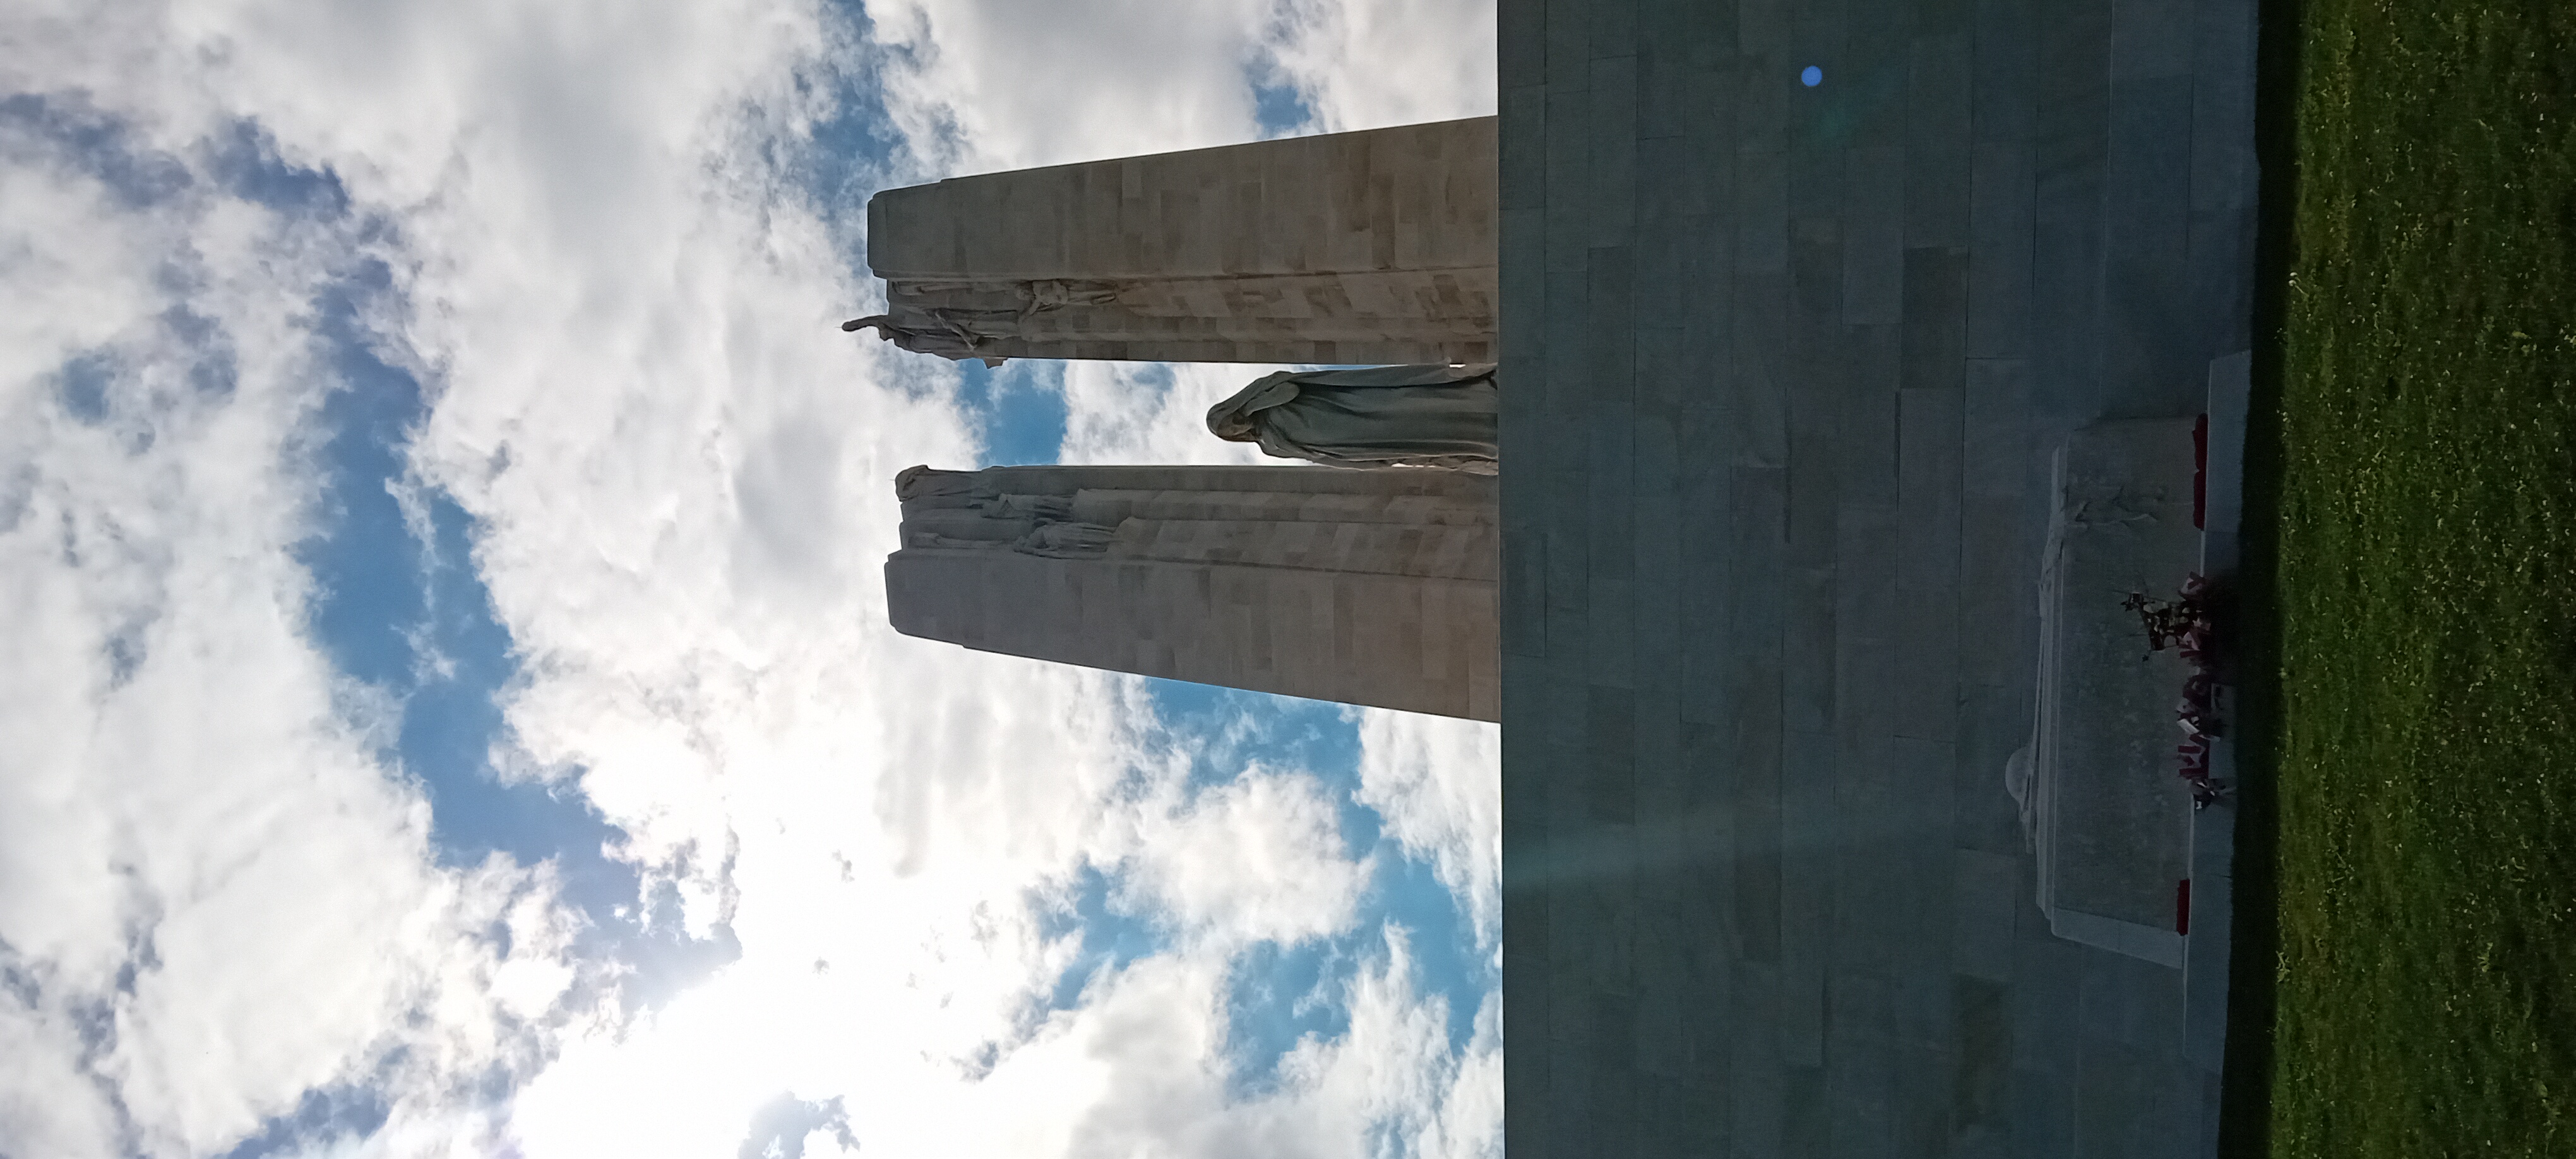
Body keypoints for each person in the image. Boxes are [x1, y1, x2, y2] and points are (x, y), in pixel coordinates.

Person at [1205, 364, 1498, 472]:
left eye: (1231, 419)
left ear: (1233, 407)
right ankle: (1482, 441)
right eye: (1231, 431)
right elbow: (1316, 456)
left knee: (1411, 407)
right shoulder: (1269, 445)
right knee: (1422, 438)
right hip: (1359, 440)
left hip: (1354, 407)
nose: (1237, 426)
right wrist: (1362, 461)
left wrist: (1253, 403)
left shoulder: (1268, 401)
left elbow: (1289, 387)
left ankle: (1479, 399)